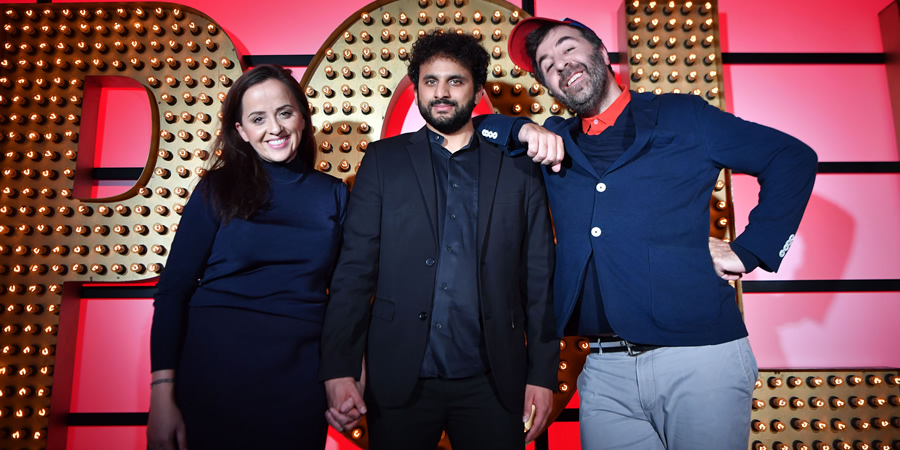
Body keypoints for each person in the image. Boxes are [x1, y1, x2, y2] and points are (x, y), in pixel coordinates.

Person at [474, 17, 818, 450]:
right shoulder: (552, 139)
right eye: (546, 64)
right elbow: (478, 134)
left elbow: (792, 157)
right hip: (602, 371)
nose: (559, 64)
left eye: (567, 49)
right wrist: (519, 127)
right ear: (548, 85)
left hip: (699, 359)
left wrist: (751, 250)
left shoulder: (684, 115)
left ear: (600, 52)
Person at [318, 30, 558, 449]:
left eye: (455, 81)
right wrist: (339, 367)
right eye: (430, 81)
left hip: (495, 380)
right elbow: (355, 270)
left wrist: (541, 375)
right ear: (416, 89)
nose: (441, 93)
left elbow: (539, 280)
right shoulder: (382, 161)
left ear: (477, 90)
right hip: (398, 376)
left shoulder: (519, 168)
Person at [147, 64, 349, 450]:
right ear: (241, 131)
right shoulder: (216, 188)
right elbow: (173, 291)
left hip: (299, 380)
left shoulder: (335, 194)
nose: (274, 128)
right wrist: (162, 393)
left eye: (284, 113)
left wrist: (346, 375)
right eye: (258, 118)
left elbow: (344, 299)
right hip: (212, 373)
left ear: (303, 118)